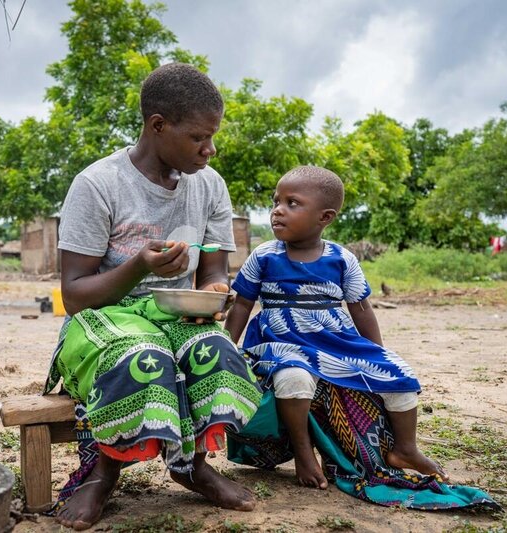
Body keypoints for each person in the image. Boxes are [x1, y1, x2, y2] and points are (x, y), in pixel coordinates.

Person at [46, 63, 263, 531]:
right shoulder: (97, 184)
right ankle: (101, 474)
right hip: (104, 319)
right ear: (157, 125)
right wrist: (139, 266)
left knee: (217, 350)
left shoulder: (210, 184)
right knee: (142, 357)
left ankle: (193, 467)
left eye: (213, 137)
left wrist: (214, 291)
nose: (210, 149)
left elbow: (214, 270)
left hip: (173, 316)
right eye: (198, 138)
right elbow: (76, 294)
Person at [225, 165, 447, 490]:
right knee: (294, 379)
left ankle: (405, 449)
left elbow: (361, 308)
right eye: (276, 202)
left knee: (400, 377)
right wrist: (226, 349)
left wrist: (377, 353)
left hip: (335, 342)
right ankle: (303, 452)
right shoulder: (264, 256)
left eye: (292, 203)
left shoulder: (342, 259)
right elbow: (243, 303)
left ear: (325, 217)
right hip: (280, 343)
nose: (278, 211)